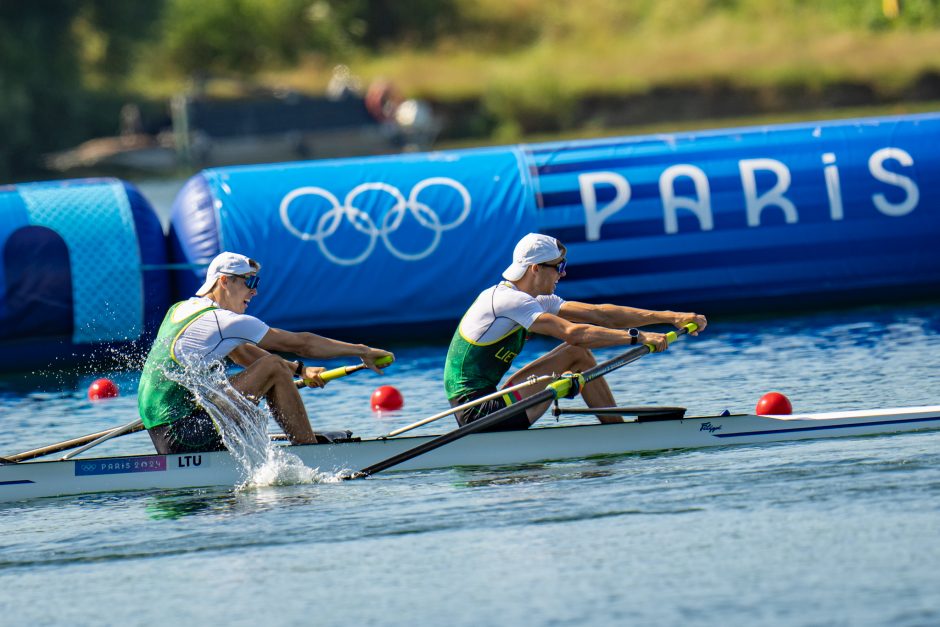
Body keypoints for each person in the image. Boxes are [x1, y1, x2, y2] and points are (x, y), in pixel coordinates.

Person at [444, 233, 706, 432]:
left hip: (493, 397)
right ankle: (618, 434)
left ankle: (617, 432)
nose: (563, 273)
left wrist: (672, 317)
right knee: (571, 353)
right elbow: (574, 333)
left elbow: (600, 314)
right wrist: (637, 337)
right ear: (535, 268)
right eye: (558, 266)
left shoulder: (535, 299)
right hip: (476, 413)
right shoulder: (509, 301)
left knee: (576, 354)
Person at [138, 252, 393, 454]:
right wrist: (363, 351)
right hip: (185, 434)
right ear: (224, 281)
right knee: (273, 366)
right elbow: (302, 343)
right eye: (249, 281)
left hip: (165, 432)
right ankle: (309, 452)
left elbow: (242, 354)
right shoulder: (224, 321)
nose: (254, 291)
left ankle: (303, 444)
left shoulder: (180, 309)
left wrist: (301, 370)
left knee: (276, 367)